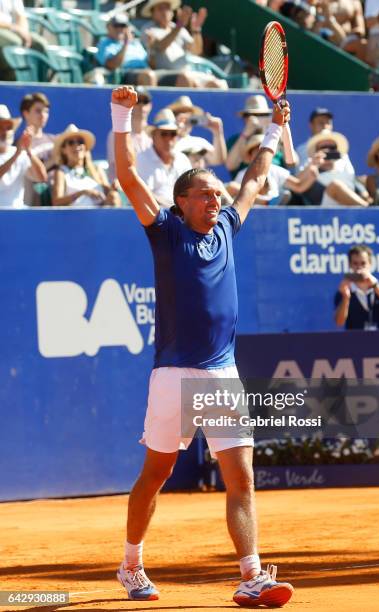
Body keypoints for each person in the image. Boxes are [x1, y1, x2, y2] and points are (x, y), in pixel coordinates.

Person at [111, 84, 294, 607]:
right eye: (206, 194)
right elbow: (126, 175)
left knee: (241, 476)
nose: (217, 200)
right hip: (173, 374)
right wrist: (121, 114)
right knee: (157, 473)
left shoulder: (229, 227)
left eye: (218, 193)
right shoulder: (165, 231)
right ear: (182, 202)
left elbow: (257, 176)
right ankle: (131, 562)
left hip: (221, 372)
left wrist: (275, 127)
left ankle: (251, 575)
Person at [142, 0, 228, 89]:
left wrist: (196, 30)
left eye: (167, 8)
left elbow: (196, 51)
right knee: (185, 79)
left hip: (187, 72)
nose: (165, 12)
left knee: (219, 84)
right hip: (162, 74)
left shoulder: (179, 29)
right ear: (152, 13)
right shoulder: (148, 29)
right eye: (160, 9)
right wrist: (180, 25)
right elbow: (160, 46)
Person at [228, 133, 320, 206]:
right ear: (250, 155)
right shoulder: (242, 174)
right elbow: (235, 197)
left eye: (263, 152)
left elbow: (298, 186)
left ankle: (267, 203)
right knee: (234, 187)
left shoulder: (276, 170)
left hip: (273, 215)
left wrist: (312, 172)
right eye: (257, 152)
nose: (260, 156)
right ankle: (266, 202)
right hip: (249, 214)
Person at [51, 124, 121, 208]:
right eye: (71, 143)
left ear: (85, 148)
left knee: (114, 196)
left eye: (80, 142)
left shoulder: (96, 169)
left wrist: (114, 187)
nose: (76, 146)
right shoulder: (61, 172)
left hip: (100, 216)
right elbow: (56, 202)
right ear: (63, 150)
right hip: (75, 217)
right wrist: (83, 192)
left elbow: (108, 193)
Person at [135, 108, 191, 208]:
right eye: (164, 134)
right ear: (153, 135)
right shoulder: (141, 159)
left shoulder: (183, 160)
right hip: (153, 216)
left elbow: (190, 191)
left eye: (173, 134)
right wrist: (172, 208)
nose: (168, 139)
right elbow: (142, 194)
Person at [335, 245, 379, 329]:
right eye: (355, 263)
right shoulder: (344, 290)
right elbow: (339, 322)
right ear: (350, 265)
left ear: (370, 263)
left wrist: (375, 286)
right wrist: (346, 297)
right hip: (354, 340)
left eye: (363, 263)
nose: (359, 267)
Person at [303, 129, 370, 207]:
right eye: (323, 147)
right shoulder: (312, 173)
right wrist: (314, 164)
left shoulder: (347, 174)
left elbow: (364, 195)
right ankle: (369, 212)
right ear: (316, 152)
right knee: (335, 186)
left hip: (351, 215)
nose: (328, 150)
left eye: (332, 147)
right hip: (326, 216)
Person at [226, 94, 285, 179]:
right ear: (245, 118)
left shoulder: (274, 138)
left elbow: (293, 163)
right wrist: (245, 133)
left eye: (262, 115)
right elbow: (230, 166)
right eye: (253, 115)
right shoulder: (235, 140)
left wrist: (278, 133)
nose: (258, 118)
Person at [0, 104, 47, 208]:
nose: (5, 132)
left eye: (8, 128)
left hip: (18, 214)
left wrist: (29, 151)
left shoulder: (20, 154)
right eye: (0, 128)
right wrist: (17, 153)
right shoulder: (17, 154)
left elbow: (42, 177)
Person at [96, 13, 157, 86]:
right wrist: (126, 43)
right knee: (149, 76)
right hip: (125, 74)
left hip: (148, 72)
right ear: (108, 27)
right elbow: (112, 65)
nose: (120, 29)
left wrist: (151, 47)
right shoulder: (104, 43)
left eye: (123, 25)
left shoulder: (136, 43)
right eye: (116, 25)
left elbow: (152, 66)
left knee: (172, 77)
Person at [107, 87, 153, 181]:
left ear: (150, 106)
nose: (141, 105)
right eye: (138, 101)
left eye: (145, 101)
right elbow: (122, 168)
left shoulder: (154, 135)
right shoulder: (118, 133)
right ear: (130, 104)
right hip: (123, 188)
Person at [20, 92, 56, 206]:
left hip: (58, 200)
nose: (43, 115)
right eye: (38, 111)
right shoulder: (19, 144)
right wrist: (54, 160)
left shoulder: (54, 139)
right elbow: (29, 173)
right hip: (33, 203)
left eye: (46, 111)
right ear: (26, 113)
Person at [168, 95, 227, 166]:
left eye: (189, 115)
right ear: (173, 117)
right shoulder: (165, 140)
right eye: (179, 114)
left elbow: (218, 160)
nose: (185, 119)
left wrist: (217, 132)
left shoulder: (199, 142)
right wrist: (175, 131)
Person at [295, 107, 354, 174]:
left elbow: (350, 174)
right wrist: (315, 163)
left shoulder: (340, 149)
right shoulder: (302, 149)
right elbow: (300, 175)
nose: (325, 126)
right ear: (311, 125)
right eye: (321, 123)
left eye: (328, 123)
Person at [0, 0, 49, 80]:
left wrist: (24, 31)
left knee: (40, 44)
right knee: (14, 42)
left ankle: (40, 86)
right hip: (7, 28)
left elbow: (21, 16)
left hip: (13, 29)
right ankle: (11, 83)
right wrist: (14, 28)